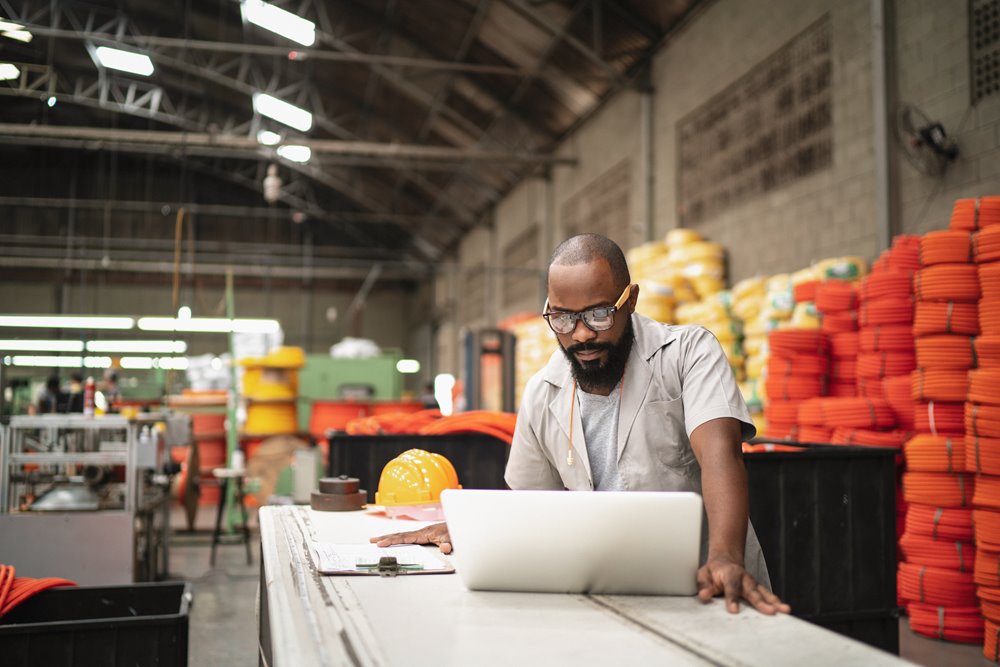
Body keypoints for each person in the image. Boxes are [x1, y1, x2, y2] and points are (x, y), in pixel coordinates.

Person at [373, 234, 789, 615]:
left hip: (709, 589)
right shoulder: (543, 393)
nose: (581, 335)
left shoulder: (687, 354)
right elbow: (533, 508)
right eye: (563, 319)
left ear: (631, 300)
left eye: (599, 315)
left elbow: (720, 455)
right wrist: (468, 529)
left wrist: (726, 558)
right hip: (606, 596)